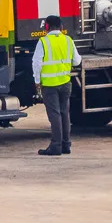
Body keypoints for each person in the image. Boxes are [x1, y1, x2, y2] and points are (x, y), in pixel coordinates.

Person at [33, 15, 81, 156]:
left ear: (46, 27)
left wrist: (37, 81)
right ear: (61, 27)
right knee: (64, 113)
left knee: (54, 115)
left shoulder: (43, 42)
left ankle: (56, 146)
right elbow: (77, 61)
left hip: (49, 85)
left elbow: (36, 64)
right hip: (65, 83)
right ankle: (66, 145)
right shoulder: (68, 40)